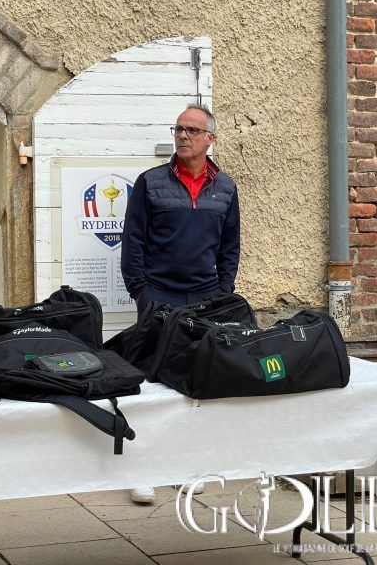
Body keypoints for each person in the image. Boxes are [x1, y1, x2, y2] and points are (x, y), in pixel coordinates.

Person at [120, 103, 240, 505]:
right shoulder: (151, 182)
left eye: (192, 130)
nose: (183, 136)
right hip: (158, 297)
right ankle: (142, 470)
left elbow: (230, 247)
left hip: (205, 300)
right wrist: (141, 292)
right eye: (179, 129)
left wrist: (222, 293)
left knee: (196, 384)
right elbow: (132, 241)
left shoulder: (225, 188)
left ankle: (185, 466)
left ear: (211, 139)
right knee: (149, 384)